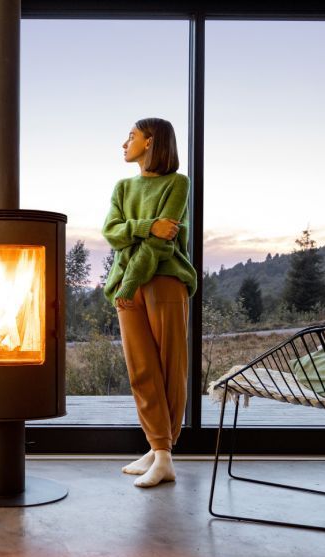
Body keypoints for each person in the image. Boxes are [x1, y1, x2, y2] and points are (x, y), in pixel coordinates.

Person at [101, 118, 198, 488]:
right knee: (141, 369)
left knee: (170, 366)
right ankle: (158, 448)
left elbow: (162, 242)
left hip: (164, 281)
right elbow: (112, 232)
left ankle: (164, 455)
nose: (124, 143)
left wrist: (130, 280)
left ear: (150, 141)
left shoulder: (177, 183)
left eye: (131, 136)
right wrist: (145, 227)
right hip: (128, 287)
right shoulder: (123, 187)